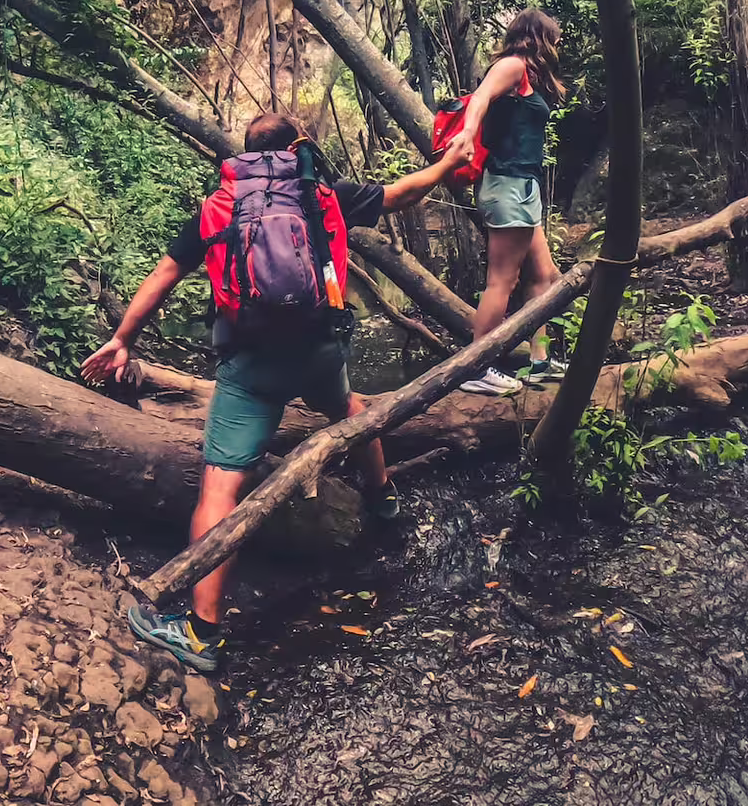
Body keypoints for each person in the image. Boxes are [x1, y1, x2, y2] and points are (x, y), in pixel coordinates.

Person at [83, 111, 467, 674]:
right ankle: (383, 500)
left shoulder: (220, 205)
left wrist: (121, 340)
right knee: (349, 408)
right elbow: (404, 192)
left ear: (245, 155)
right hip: (321, 350)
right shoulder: (324, 195)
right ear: (298, 149)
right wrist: (448, 164)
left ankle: (201, 631)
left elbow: (165, 273)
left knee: (220, 484)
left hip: (252, 362)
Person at [443, 9, 567, 396]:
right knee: (503, 279)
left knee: (543, 275)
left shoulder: (530, 76)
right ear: (539, 36)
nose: (558, 43)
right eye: (555, 37)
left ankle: (539, 361)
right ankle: (475, 367)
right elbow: (480, 96)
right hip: (506, 184)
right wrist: (466, 134)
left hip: (523, 186)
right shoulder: (512, 66)